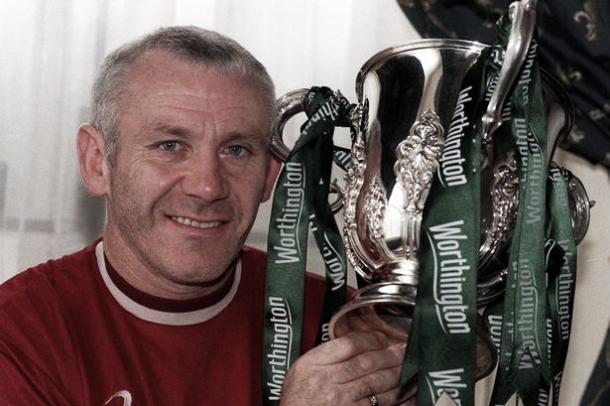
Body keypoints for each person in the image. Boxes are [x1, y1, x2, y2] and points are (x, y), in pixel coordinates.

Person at [0, 26, 409, 405]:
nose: (207, 186)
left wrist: (451, 343)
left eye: (236, 150)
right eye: (169, 145)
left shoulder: (344, 327)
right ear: (96, 162)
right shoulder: (20, 331)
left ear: (269, 176)